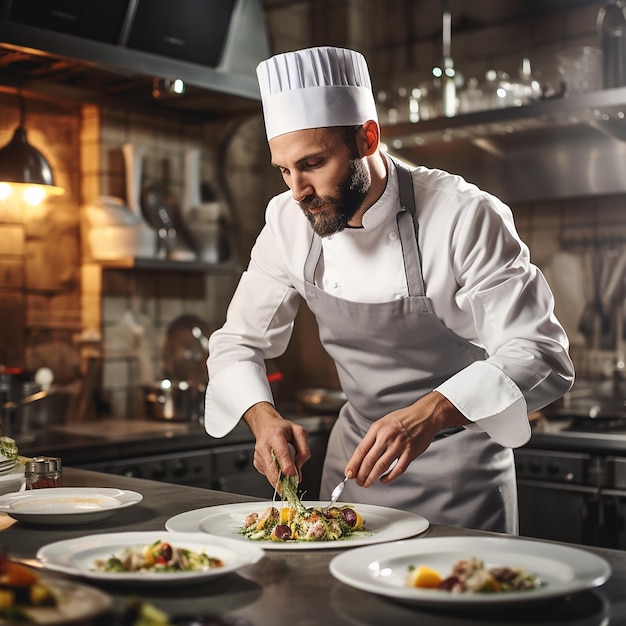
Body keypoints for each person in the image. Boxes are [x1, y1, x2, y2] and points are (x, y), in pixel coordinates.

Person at [204, 46, 574, 533]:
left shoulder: (463, 216)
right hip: (354, 470)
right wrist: (262, 419)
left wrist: (429, 413)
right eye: (283, 170)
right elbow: (237, 343)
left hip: (459, 476)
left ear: (367, 138)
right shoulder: (287, 222)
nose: (297, 191)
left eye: (313, 163)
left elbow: (541, 352)